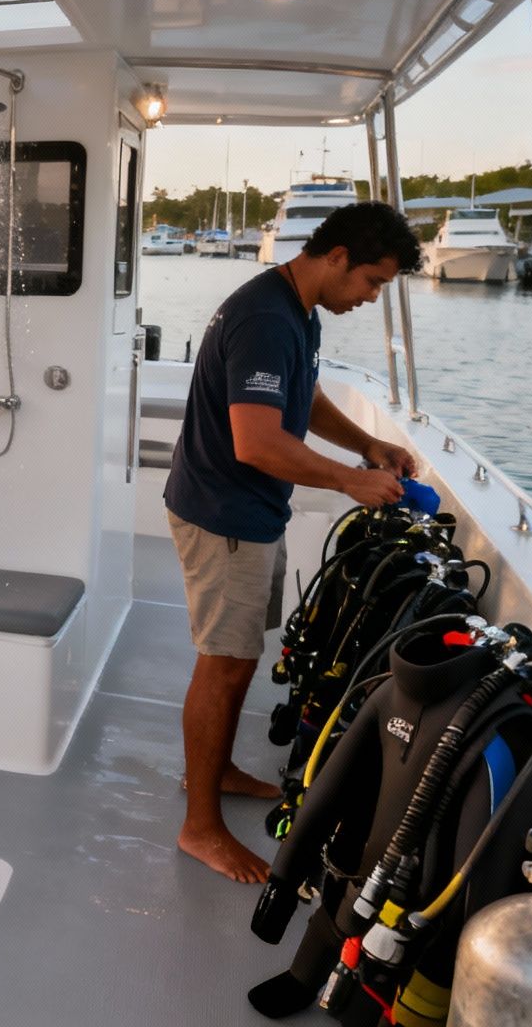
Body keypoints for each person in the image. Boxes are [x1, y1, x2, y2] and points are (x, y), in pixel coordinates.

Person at [165, 201, 424, 883]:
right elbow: (256, 442)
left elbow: (298, 399)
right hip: (224, 515)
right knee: (222, 664)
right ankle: (199, 827)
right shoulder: (263, 316)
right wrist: (350, 480)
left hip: (249, 513)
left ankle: (213, 769)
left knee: (240, 654)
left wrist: (365, 442)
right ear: (336, 257)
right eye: (371, 281)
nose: (370, 298)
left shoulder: (296, 311)